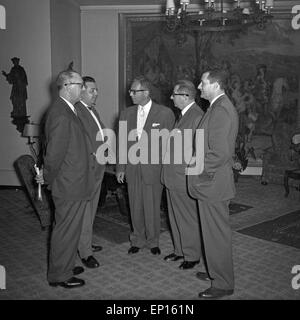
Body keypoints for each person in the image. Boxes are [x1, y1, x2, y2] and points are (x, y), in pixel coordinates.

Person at [36, 70, 95, 289]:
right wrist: (49, 180)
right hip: (68, 185)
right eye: (80, 84)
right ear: (68, 86)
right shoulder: (61, 113)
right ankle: (60, 275)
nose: (82, 88)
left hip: (75, 182)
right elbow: (54, 155)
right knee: (65, 230)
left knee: (71, 230)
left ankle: (66, 265)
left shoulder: (68, 109)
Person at [187, 68, 239, 299]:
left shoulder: (221, 110)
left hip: (213, 184)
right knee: (211, 232)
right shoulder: (217, 107)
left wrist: (199, 174)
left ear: (215, 85)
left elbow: (219, 153)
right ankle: (215, 272)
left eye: (203, 83)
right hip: (212, 182)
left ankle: (223, 283)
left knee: (217, 234)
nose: (199, 87)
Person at [116, 75, 175, 255]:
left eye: (134, 91)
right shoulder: (126, 114)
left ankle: (153, 241)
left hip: (154, 169)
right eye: (130, 91)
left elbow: (171, 144)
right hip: (133, 168)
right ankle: (137, 239)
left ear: (146, 93)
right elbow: (122, 143)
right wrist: (120, 167)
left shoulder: (165, 113)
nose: (130, 94)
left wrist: (168, 169)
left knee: (152, 206)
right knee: (135, 205)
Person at [161, 80, 203, 270]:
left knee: (187, 217)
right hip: (173, 177)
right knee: (175, 216)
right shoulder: (183, 115)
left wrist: (191, 177)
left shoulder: (196, 116)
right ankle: (180, 250)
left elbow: (198, 152)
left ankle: (192, 255)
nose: (171, 98)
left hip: (183, 177)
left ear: (185, 97)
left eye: (174, 95)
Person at [75, 76, 106, 269]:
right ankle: (85, 252)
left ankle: (85, 242)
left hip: (98, 166)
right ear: (81, 91)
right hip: (88, 168)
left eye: (96, 89)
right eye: (92, 90)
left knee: (92, 208)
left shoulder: (91, 110)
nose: (96, 93)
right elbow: (79, 141)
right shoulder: (77, 111)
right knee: (84, 211)